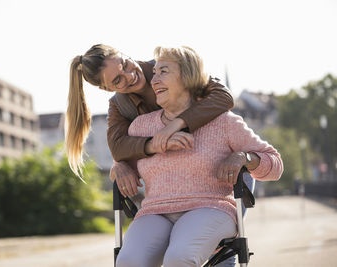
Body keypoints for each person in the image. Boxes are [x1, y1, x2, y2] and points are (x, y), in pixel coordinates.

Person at [114, 46, 283, 267]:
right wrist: (119, 166)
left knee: (179, 258)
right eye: (154, 73)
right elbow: (124, 162)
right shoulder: (140, 126)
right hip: (155, 211)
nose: (154, 80)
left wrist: (243, 157)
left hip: (210, 207)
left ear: (188, 76)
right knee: (128, 262)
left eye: (163, 71)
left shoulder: (224, 121)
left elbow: (275, 164)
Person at [65, 44, 233, 189]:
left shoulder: (169, 65)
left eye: (124, 64)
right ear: (106, 89)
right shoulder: (120, 106)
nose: (130, 76)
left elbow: (224, 96)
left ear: (125, 54)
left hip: (228, 169)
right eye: (117, 81)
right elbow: (118, 147)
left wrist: (175, 125)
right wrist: (126, 160)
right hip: (185, 183)